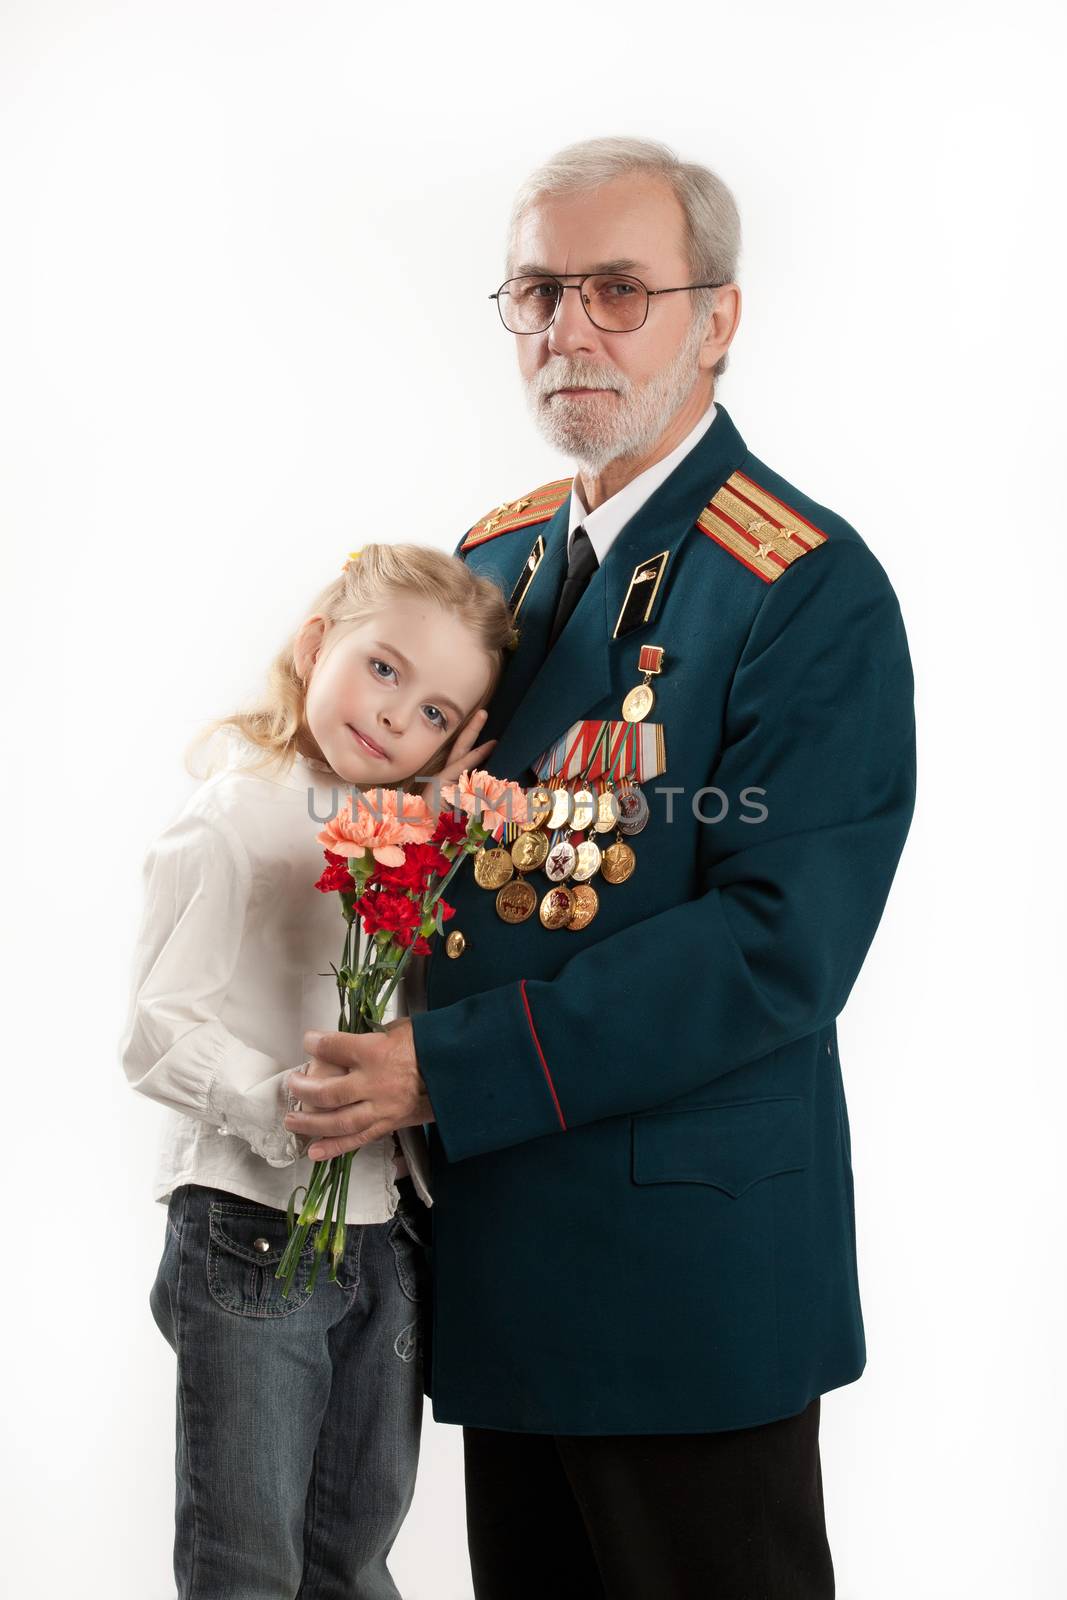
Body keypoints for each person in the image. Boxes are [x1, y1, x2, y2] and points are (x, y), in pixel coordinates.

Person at [283, 137, 917, 1599]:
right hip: (502, 1251)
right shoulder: (489, 564)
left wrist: (443, 1065)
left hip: (688, 1278)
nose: (568, 326)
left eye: (617, 290)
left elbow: (779, 946)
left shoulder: (805, 586)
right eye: (537, 289)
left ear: (717, 319)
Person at [119, 542, 510, 1600]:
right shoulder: (235, 817)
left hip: (383, 1233)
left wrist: (446, 815)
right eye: (383, 668)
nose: (395, 716)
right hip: (252, 1222)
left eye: (434, 711)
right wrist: (269, 1103)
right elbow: (153, 1027)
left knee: (354, 1552)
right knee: (247, 1561)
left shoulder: (414, 839)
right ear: (315, 643)